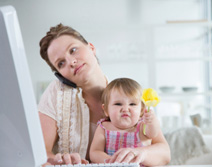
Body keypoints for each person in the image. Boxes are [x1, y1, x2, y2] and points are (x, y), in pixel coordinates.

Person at [38, 23, 171, 166]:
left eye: (73, 50)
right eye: (61, 63)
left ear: (91, 48)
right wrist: (59, 161)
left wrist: (141, 153)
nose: (71, 62)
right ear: (60, 75)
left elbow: (164, 154)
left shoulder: (128, 95)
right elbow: (39, 152)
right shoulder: (56, 93)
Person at [90, 78, 161, 165]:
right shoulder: (104, 127)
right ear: (106, 110)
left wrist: (152, 121)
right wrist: (112, 161)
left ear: (141, 109)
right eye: (118, 104)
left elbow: (153, 134)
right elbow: (95, 152)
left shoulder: (142, 125)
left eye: (132, 104)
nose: (125, 109)